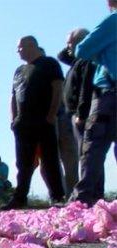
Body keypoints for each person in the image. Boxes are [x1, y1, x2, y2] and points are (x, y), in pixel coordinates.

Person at [2, 36, 66, 210]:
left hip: (43, 119)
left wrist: (52, 114)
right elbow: (13, 96)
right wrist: (13, 119)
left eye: (20, 47)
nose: (18, 51)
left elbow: (57, 88)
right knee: (23, 163)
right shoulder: (19, 71)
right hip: (22, 123)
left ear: (31, 45)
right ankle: (20, 198)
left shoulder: (49, 63)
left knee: (50, 159)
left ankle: (57, 196)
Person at [70, 0, 117, 206]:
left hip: (109, 92)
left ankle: (83, 197)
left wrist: (103, 56)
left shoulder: (113, 20)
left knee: (94, 144)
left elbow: (82, 50)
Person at [58, 29, 95, 197]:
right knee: (83, 154)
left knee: (87, 154)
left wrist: (81, 113)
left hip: (82, 114)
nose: (67, 47)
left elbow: (85, 88)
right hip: (73, 114)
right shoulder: (76, 61)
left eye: (70, 44)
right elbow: (61, 56)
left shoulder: (86, 61)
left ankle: (90, 193)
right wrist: (71, 44)